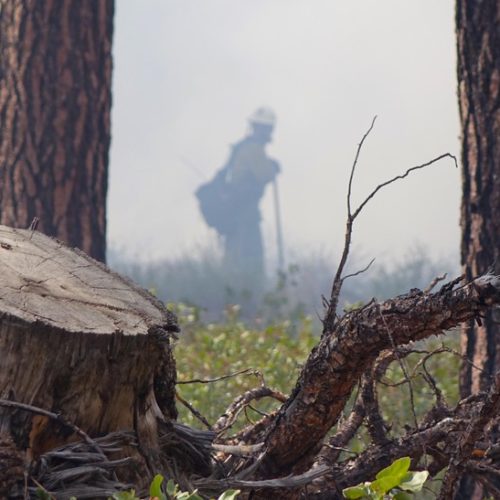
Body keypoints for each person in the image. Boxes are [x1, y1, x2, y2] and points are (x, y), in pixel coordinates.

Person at [196, 107, 281, 282]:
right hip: (245, 215)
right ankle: (246, 296)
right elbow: (264, 174)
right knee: (250, 260)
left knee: (233, 258)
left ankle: (230, 295)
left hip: (235, 214)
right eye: (265, 128)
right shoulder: (254, 149)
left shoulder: (242, 147)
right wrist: (273, 167)